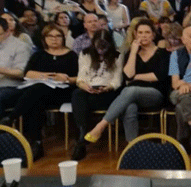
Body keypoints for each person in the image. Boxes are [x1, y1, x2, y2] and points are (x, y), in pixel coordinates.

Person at [82, 20, 170, 153]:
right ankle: (132, 146)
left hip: (155, 94)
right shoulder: (131, 53)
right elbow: (128, 75)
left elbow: (159, 76)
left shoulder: (163, 53)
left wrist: (136, 77)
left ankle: (101, 125)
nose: (144, 35)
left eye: (147, 32)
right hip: (131, 95)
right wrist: (134, 52)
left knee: (130, 89)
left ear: (153, 35)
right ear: (135, 35)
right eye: (140, 33)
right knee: (129, 106)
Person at [1, 24, 78, 159]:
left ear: (63, 38)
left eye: (58, 36)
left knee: (35, 92)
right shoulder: (39, 55)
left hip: (64, 91)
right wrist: (45, 76)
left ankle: (12, 118)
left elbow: (79, 78)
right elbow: (27, 73)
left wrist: (66, 78)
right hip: (41, 93)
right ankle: (36, 143)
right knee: (35, 101)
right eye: (50, 36)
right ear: (44, 39)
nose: (54, 39)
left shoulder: (71, 55)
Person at [70, 30, 123, 160]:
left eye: (104, 47)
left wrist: (107, 87)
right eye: (98, 47)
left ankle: (82, 140)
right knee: (77, 94)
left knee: (83, 103)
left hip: (108, 91)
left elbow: (117, 80)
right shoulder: (85, 53)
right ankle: (82, 135)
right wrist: (84, 86)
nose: (101, 51)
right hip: (88, 88)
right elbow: (81, 77)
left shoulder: (117, 55)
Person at [0, 17, 31, 119]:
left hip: (12, 87)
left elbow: (22, 73)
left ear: (8, 32)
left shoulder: (20, 46)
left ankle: (3, 128)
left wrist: (1, 70)